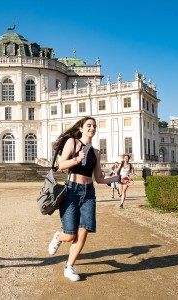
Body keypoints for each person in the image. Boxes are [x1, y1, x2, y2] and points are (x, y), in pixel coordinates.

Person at [47, 117, 131, 281]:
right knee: (70, 235)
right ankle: (58, 237)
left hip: (89, 193)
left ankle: (69, 267)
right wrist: (76, 159)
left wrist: (118, 178)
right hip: (71, 190)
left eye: (94, 126)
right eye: (88, 125)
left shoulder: (96, 152)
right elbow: (60, 165)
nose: (92, 128)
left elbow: (99, 178)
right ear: (81, 128)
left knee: (83, 231)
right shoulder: (72, 142)